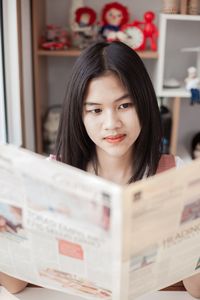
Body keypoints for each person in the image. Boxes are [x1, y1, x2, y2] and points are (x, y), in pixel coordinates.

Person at [0, 41, 182, 293]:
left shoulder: (175, 173)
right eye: (96, 110)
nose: (112, 123)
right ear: (80, 115)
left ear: (145, 104)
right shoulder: (51, 174)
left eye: (124, 106)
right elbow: (15, 284)